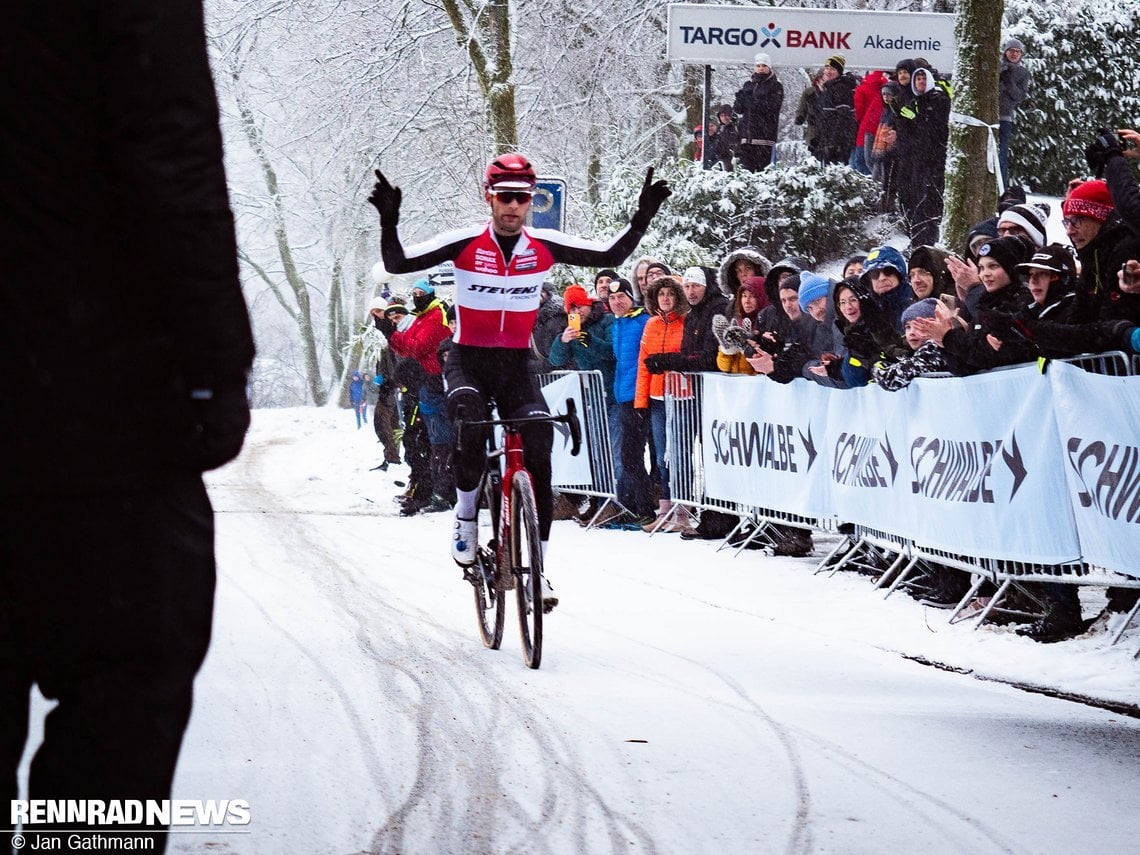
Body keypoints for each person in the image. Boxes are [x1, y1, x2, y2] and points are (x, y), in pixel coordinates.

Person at [2, 4, 255, 851]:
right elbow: (170, 148)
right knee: (120, 699)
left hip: (79, 394)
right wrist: (216, 362)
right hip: (89, 404)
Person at [371, 154, 670, 607]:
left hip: (515, 364)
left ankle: (539, 572)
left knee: (539, 446)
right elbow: (396, 261)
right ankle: (467, 516)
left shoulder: (543, 245)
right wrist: (389, 220)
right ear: (488, 197)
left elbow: (611, 256)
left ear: (531, 200)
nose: (513, 206)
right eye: (504, 197)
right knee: (470, 425)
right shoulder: (465, 242)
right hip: (467, 358)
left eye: (522, 198)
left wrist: (642, 216)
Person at [373, 279, 455, 514]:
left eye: (421, 293)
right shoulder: (422, 316)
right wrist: (392, 337)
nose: (417, 296)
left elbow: (417, 347)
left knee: (433, 441)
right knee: (421, 440)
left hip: (434, 383)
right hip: (421, 386)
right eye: (414, 293)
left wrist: (393, 335)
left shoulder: (435, 314)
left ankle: (437, 491)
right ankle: (425, 489)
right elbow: (406, 349)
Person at [634, 276, 690, 530]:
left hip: (681, 396)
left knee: (680, 454)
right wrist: (640, 401)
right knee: (661, 457)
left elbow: (688, 357)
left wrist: (669, 361)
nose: (665, 298)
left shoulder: (686, 322)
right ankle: (665, 509)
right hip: (657, 398)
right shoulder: (651, 324)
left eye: (670, 293)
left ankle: (683, 510)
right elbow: (643, 365)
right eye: (661, 294)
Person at [733, 52, 784, 172]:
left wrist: (751, 101)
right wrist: (740, 99)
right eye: (758, 65)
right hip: (746, 140)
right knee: (745, 176)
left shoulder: (775, 86)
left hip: (764, 139)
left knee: (764, 176)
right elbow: (738, 109)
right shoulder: (748, 85)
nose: (761, 68)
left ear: (769, 68)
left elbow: (772, 107)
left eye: (764, 66)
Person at [998, 38, 1031, 188]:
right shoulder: (996, 67)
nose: (1014, 54)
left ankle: (1001, 189)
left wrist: (1009, 80)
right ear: (1005, 52)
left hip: (1005, 119)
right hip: (986, 116)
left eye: (1018, 52)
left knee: (1001, 156)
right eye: (1012, 50)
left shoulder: (1023, 73)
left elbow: (1019, 96)